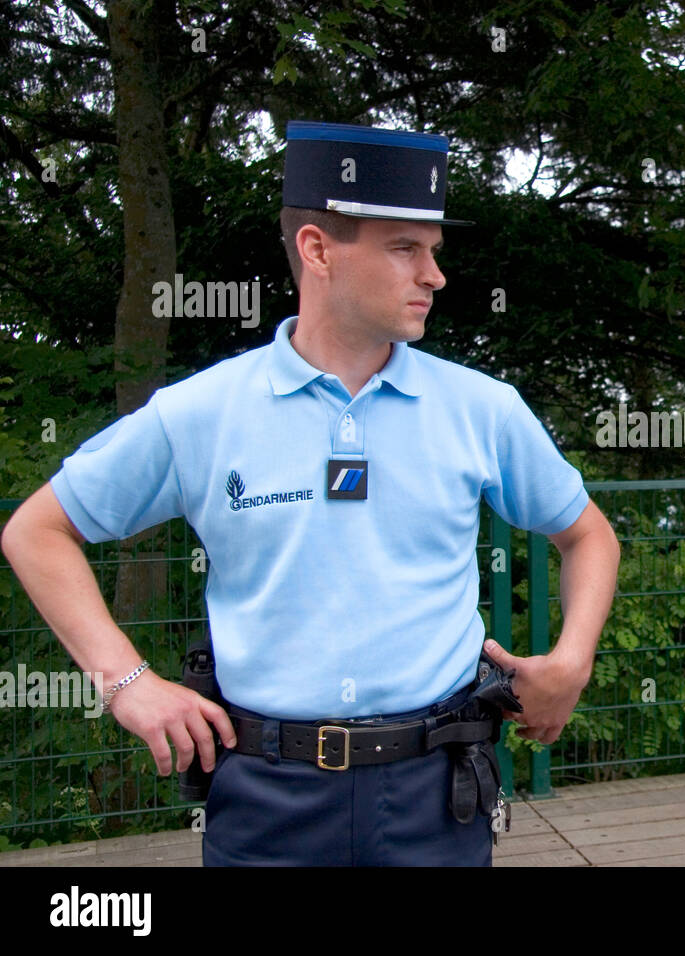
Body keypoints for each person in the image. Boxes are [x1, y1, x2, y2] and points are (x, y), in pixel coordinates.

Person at [1, 119, 621, 866]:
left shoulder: (481, 408)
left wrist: (572, 660)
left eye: (433, 253)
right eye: (404, 249)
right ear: (317, 250)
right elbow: (36, 531)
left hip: (438, 796)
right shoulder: (202, 412)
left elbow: (587, 533)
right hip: (266, 802)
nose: (435, 275)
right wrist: (127, 683)